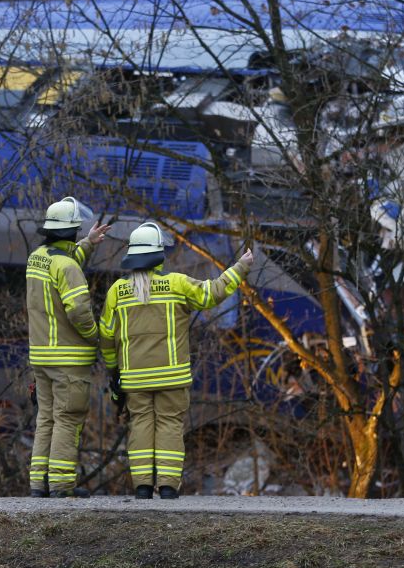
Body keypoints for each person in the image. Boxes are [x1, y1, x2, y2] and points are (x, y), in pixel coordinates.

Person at [99, 221, 253, 499]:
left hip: (135, 378)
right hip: (172, 376)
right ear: (159, 253)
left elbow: (107, 336)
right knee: (169, 425)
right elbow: (212, 293)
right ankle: (168, 487)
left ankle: (142, 487)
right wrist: (240, 267)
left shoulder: (116, 292)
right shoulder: (176, 284)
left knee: (141, 426)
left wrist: (114, 372)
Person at [26, 196, 110, 498]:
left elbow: (64, 260)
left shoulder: (37, 257)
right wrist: (94, 336)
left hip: (41, 356)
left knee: (46, 418)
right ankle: (61, 485)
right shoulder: (68, 267)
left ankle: (39, 483)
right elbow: (79, 311)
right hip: (68, 359)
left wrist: (89, 243)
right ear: (72, 231)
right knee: (68, 418)